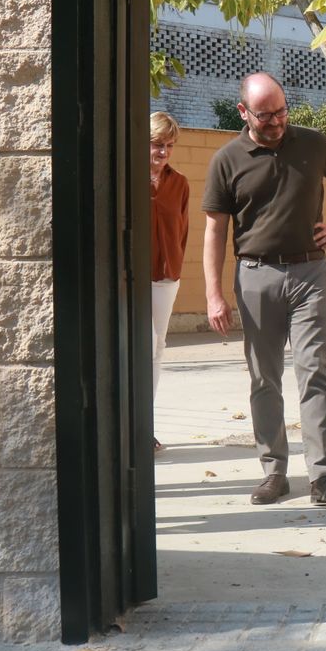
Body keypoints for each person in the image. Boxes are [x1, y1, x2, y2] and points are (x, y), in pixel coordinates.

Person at [202, 73, 326, 505]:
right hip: (255, 277)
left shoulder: (313, 143)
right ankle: (274, 472)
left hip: (311, 275)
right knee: (264, 380)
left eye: (280, 111)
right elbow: (215, 232)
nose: (275, 121)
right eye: (264, 114)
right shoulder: (227, 160)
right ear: (243, 112)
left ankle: (322, 477)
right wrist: (214, 293)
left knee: (315, 373)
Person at [149, 111, 190, 455]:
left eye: (169, 146)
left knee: (157, 349)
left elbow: (183, 229)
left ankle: (145, 424)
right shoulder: (129, 178)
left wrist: (175, 263)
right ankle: (134, 423)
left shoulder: (179, 183)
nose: (163, 152)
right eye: (157, 145)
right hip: (133, 278)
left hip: (166, 277)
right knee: (143, 346)